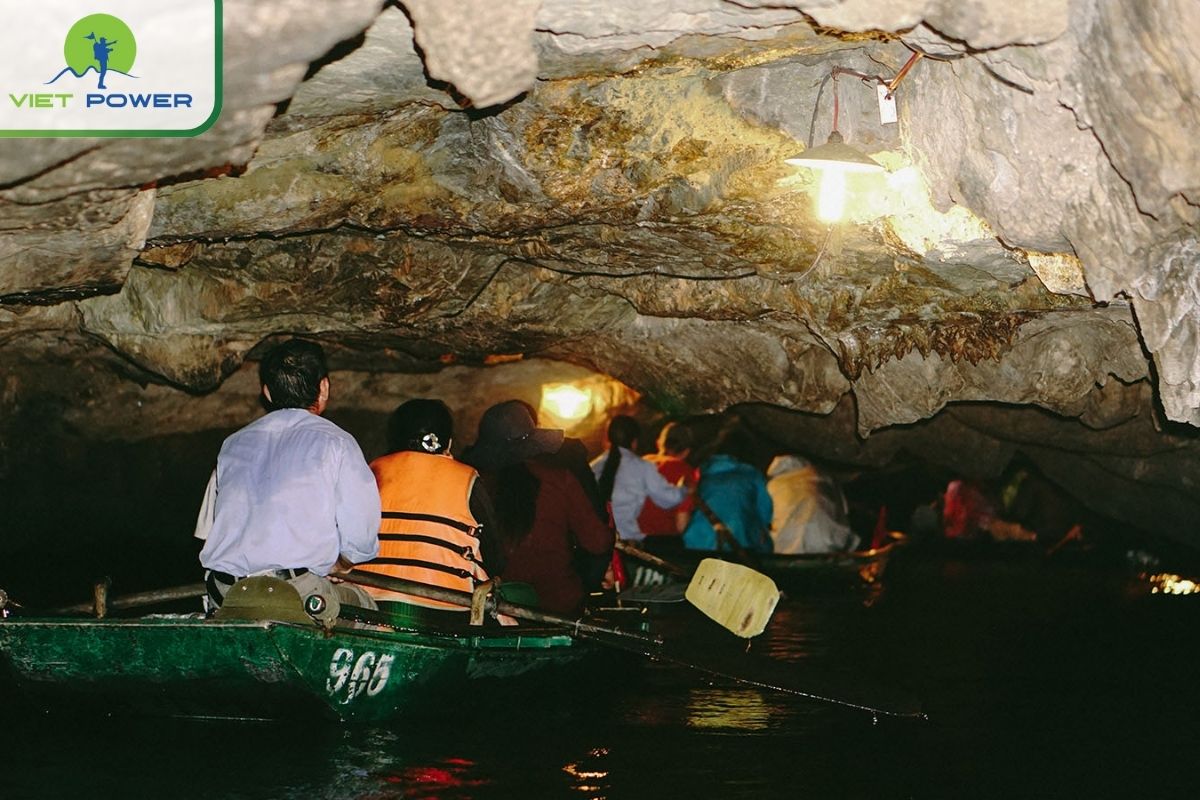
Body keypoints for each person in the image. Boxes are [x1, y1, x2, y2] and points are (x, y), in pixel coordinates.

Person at [194, 339, 380, 626]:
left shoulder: (232, 445)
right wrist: (339, 565)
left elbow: (207, 535)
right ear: (324, 388)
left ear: (267, 392)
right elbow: (361, 541)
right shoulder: (338, 443)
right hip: (296, 593)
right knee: (366, 605)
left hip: (226, 593)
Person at [465, 400, 614, 614]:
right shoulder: (559, 480)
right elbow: (597, 542)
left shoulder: (474, 485)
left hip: (497, 607)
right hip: (557, 606)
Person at [357, 399, 501, 615]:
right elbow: (494, 553)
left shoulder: (372, 470)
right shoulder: (467, 478)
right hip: (446, 607)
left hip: (368, 601)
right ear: (449, 443)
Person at [590, 415, 688, 543]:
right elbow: (668, 499)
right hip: (625, 541)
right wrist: (684, 488)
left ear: (607, 438)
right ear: (634, 442)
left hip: (590, 541)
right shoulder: (642, 467)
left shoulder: (591, 467)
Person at [682, 437, 773, 554]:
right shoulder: (752, 475)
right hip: (740, 538)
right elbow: (765, 512)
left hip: (699, 538)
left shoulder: (702, 475)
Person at [766, 455, 859, 554]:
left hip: (785, 550)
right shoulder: (824, 476)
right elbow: (843, 511)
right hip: (829, 545)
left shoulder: (773, 486)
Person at [637, 421, 699, 542]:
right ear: (687, 451)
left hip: (631, 543)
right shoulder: (686, 472)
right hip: (664, 546)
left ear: (658, 443)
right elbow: (682, 525)